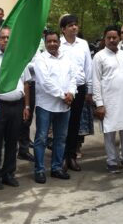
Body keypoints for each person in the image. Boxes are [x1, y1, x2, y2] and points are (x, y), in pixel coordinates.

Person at [0, 27, 31, 190]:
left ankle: (8, 174)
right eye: (2, 38)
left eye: (8, 38)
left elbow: (26, 82)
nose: (5, 40)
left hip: (17, 105)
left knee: (13, 141)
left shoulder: (19, 57)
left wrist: (26, 105)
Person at [92, 26, 123, 173]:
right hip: (109, 101)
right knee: (110, 131)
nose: (112, 40)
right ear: (105, 39)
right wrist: (99, 104)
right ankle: (112, 161)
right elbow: (96, 81)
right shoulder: (99, 56)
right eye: (109, 38)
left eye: (115, 37)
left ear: (119, 38)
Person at [33, 30, 76, 183]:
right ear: (45, 43)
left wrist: (71, 93)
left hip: (64, 106)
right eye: (49, 41)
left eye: (54, 41)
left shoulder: (66, 57)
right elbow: (45, 82)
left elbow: (73, 77)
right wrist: (63, 95)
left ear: (59, 42)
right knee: (41, 139)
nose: (52, 44)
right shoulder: (40, 59)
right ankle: (39, 170)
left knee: (60, 139)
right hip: (46, 105)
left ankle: (56, 168)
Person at [59, 14, 92, 172]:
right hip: (62, 91)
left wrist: (89, 90)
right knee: (61, 125)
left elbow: (88, 67)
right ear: (63, 29)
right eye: (70, 25)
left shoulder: (83, 44)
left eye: (75, 24)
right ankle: (61, 158)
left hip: (79, 88)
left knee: (74, 125)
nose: (74, 27)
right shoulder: (57, 44)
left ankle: (71, 157)